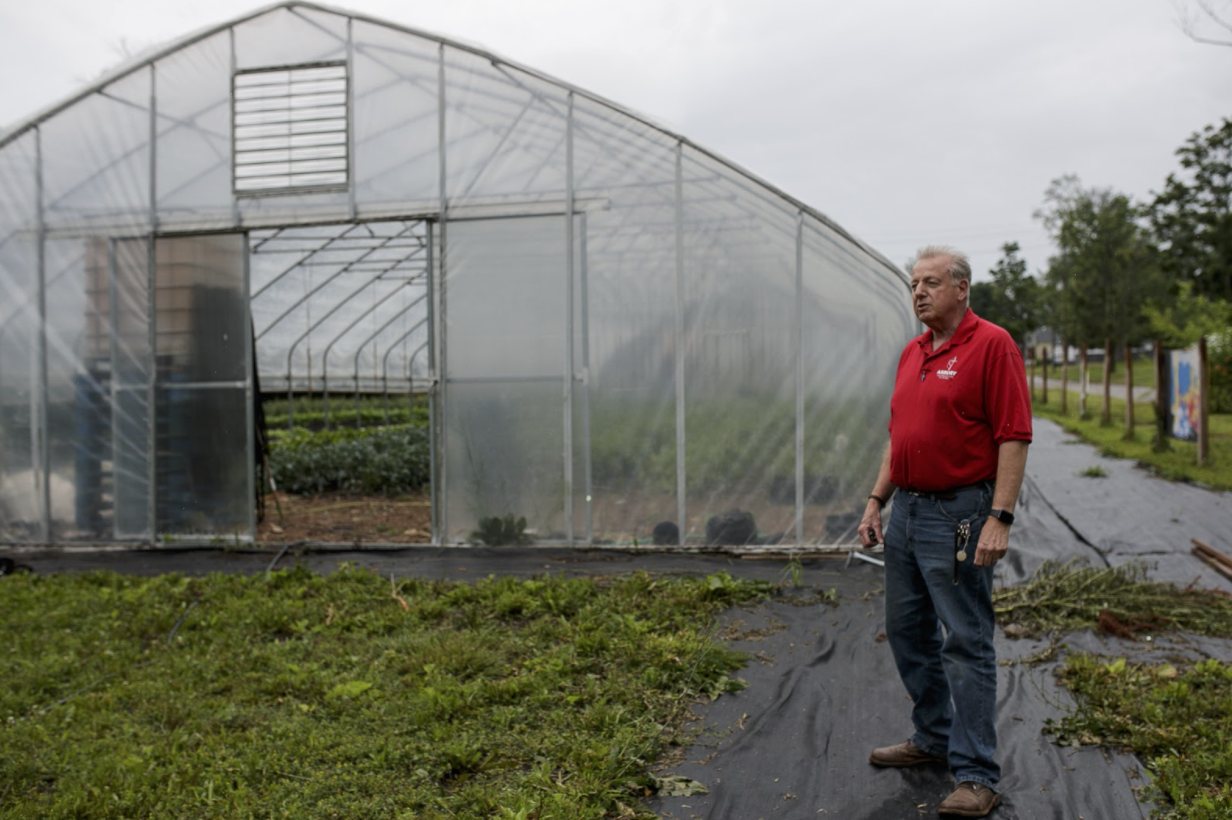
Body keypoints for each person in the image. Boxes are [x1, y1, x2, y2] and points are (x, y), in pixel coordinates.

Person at [859, 245, 1032, 818]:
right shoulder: (913, 352)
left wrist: (998, 518)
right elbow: (899, 434)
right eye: (913, 284)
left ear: (962, 288)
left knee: (965, 641)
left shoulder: (991, 344)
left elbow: (1013, 434)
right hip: (907, 511)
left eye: (930, 282)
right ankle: (932, 736)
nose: (918, 293)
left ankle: (978, 774)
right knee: (906, 630)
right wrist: (875, 500)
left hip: (959, 514)